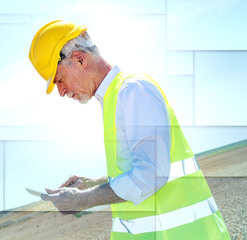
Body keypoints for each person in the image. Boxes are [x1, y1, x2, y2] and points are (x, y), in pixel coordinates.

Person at [28, 20, 230, 239]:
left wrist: (83, 199)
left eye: (59, 80)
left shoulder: (132, 91)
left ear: (79, 59)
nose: (61, 91)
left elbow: (151, 173)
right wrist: (94, 183)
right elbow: (138, 165)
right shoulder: (115, 99)